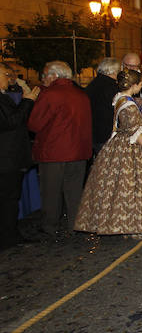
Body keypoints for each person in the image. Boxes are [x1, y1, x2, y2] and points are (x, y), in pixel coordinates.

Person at [74, 69, 142, 235]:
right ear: (134, 85)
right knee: (136, 187)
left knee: (119, 187)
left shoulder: (120, 99)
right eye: (141, 84)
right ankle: (135, 225)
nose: (141, 87)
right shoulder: (128, 105)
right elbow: (136, 131)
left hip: (119, 143)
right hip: (132, 146)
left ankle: (126, 224)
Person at [28, 61, 92, 236]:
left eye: (45, 75)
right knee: (74, 191)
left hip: (53, 151)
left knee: (51, 191)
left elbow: (34, 124)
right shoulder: (81, 95)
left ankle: (50, 226)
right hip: (78, 151)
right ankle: (76, 224)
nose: (43, 79)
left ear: (54, 76)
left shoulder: (49, 94)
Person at [0, 62, 40, 248]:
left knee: (10, 198)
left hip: (10, 157)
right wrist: (28, 101)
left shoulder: (4, 96)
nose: (10, 78)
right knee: (8, 199)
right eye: (6, 74)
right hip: (6, 158)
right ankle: (8, 237)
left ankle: (10, 234)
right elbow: (12, 121)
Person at [85, 57, 121, 155]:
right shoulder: (112, 88)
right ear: (114, 71)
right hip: (108, 133)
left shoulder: (92, 85)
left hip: (94, 133)